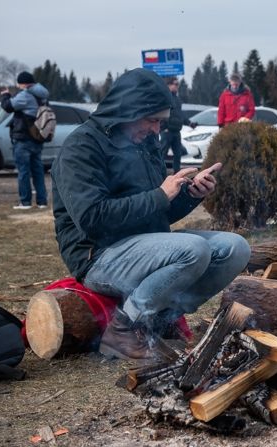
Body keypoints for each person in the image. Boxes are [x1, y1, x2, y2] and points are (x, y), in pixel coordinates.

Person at [51, 68, 251, 361]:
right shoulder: (81, 147)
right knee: (193, 249)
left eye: (161, 122)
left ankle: (159, 322)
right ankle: (123, 328)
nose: (157, 130)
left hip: (145, 246)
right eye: (153, 120)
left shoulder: (145, 143)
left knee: (235, 248)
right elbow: (92, 219)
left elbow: (159, 214)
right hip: (98, 255)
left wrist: (189, 195)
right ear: (128, 111)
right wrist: (160, 195)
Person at [0, 72, 50, 210]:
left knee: (23, 171)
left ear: (23, 83)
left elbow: (8, 106)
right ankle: (42, 201)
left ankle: (25, 202)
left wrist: (5, 95)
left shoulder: (26, 95)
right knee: (38, 171)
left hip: (23, 139)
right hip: (37, 138)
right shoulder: (42, 96)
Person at [160, 76, 196, 172]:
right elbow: (160, 113)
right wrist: (163, 127)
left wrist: (189, 123)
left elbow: (180, 115)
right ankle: (160, 174)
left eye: (177, 84)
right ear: (168, 85)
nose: (177, 86)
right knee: (162, 154)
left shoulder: (177, 99)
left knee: (178, 154)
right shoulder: (164, 97)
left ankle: (177, 174)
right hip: (167, 132)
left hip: (176, 132)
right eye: (175, 84)